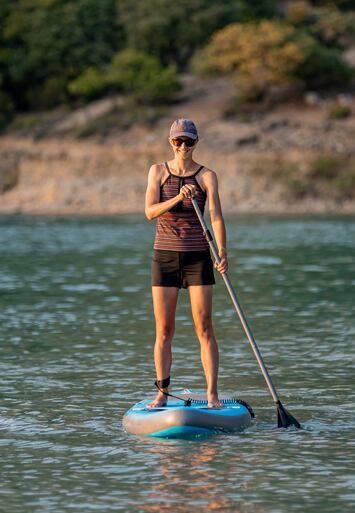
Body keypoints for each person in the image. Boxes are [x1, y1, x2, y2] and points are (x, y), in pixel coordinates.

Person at [144, 118, 228, 408]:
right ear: (171, 142)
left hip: (198, 257)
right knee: (164, 330)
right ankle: (162, 393)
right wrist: (178, 197)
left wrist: (222, 251)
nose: (183, 146)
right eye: (178, 141)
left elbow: (216, 216)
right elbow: (149, 212)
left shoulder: (207, 176)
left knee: (204, 327)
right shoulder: (157, 171)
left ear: (196, 142)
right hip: (165, 257)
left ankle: (212, 395)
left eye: (189, 141)